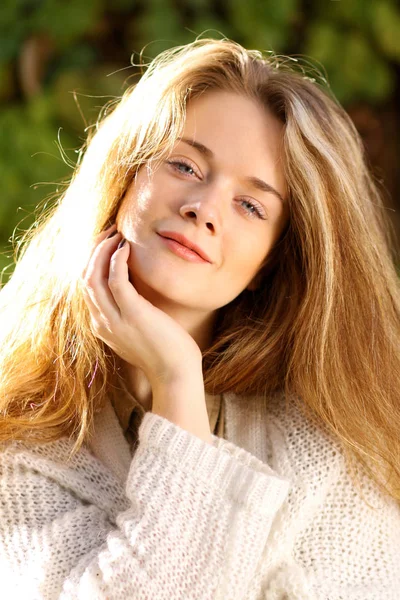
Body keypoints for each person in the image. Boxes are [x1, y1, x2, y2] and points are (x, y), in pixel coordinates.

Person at [0, 37, 399, 599]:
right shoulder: (17, 419)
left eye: (251, 205)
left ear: (270, 264)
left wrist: (175, 381)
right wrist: (175, 381)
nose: (203, 208)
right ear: (125, 177)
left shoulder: (332, 443)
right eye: (185, 165)